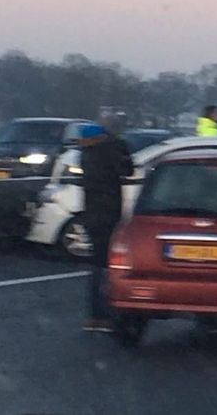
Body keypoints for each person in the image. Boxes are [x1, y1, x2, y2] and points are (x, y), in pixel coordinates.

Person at [80, 123, 133, 332]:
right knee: (106, 266)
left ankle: (95, 314)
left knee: (98, 264)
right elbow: (126, 170)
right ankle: (103, 313)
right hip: (107, 214)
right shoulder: (108, 152)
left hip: (93, 214)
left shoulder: (87, 154)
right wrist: (120, 146)